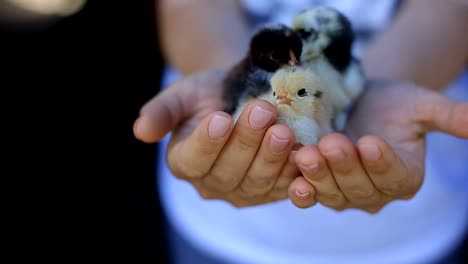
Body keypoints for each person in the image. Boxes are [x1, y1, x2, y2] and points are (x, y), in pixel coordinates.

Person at [134, 0, 468, 263]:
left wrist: (363, 89)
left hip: (410, 232)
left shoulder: (334, 83)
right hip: (218, 230)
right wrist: (226, 78)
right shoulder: (259, 85)